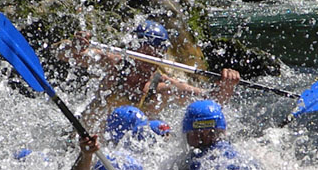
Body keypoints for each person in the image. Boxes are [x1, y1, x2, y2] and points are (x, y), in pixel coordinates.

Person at [56, 19, 241, 130]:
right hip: (88, 138)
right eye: (145, 52)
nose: (149, 61)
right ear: (133, 48)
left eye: (156, 54)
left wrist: (227, 86)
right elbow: (62, 54)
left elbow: (212, 101)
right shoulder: (111, 65)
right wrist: (76, 46)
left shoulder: (162, 88)